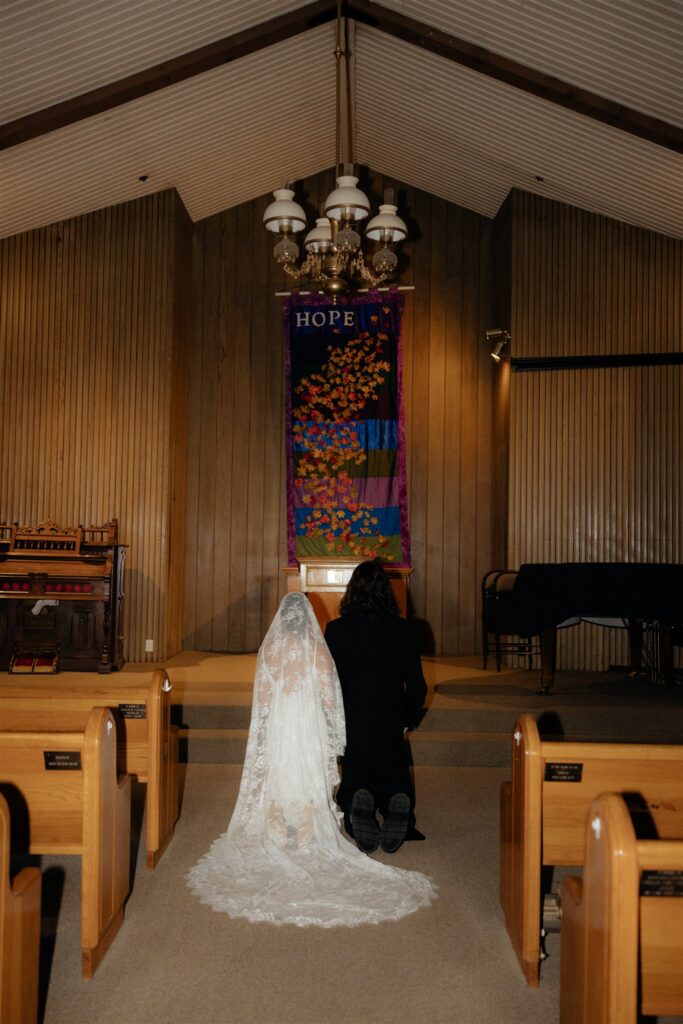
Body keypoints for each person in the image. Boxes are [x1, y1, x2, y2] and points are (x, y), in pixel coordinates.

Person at [186, 591, 436, 927]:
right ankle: (306, 832)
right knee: (307, 776)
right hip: (307, 725)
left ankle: (276, 827)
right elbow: (330, 697)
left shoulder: (270, 651)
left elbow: (261, 699)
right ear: (307, 621)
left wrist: (267, 728)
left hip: (280, 725)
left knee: (279, 772)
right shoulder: (318, 651)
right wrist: (335, 735)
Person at [324, 560, 428, 854]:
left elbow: (328, 684)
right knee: (392, 760)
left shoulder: (336, 630)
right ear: (387, 592)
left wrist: (333, 720)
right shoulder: (404, 630)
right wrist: (408, 718)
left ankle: (358, 799)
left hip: (352, 717)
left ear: (351, 592)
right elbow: (417, 685)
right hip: (390, 715)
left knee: (356, 764)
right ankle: (395, 799)